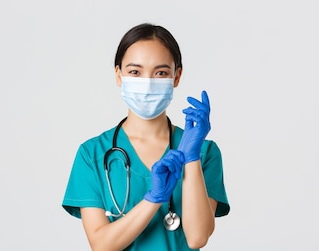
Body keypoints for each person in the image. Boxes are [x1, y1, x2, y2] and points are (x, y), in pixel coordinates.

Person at [61, 23, 230, 251]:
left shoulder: (204, 152)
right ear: (118, 75)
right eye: (135, 72)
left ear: (176, 76)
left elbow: (197, 238)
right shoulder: (92, 154)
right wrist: (154, 198)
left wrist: (191, 159)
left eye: (160, 73)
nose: (148, 82)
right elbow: (102, 245)